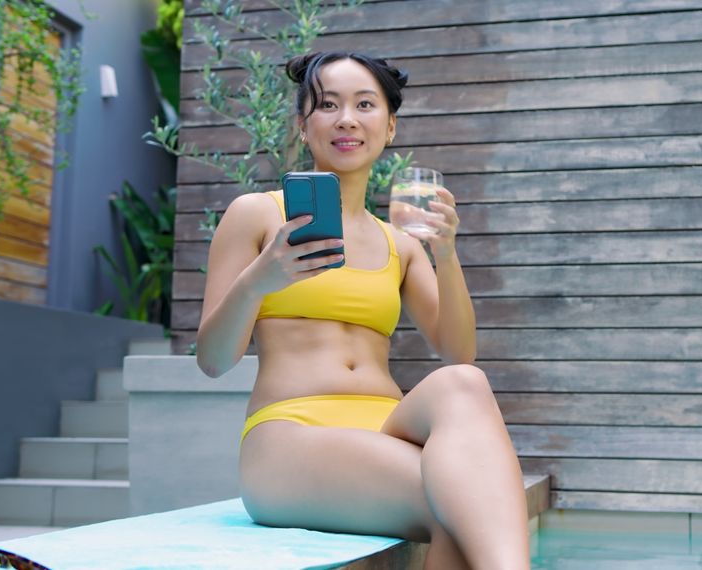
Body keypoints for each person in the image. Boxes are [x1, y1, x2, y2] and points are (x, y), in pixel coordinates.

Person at [195, 51, 531, 570]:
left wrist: (446, 254)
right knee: (464, 505)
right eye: (327, 105)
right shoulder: (258, 216)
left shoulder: (403, 243)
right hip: (290, 436)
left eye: (365, 104)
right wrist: (259, 280)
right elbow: (213, 360)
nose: (347, 119)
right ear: (303, 126)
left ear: (389, 126)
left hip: (386, 430)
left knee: (464, 386)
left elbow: (458, 355)